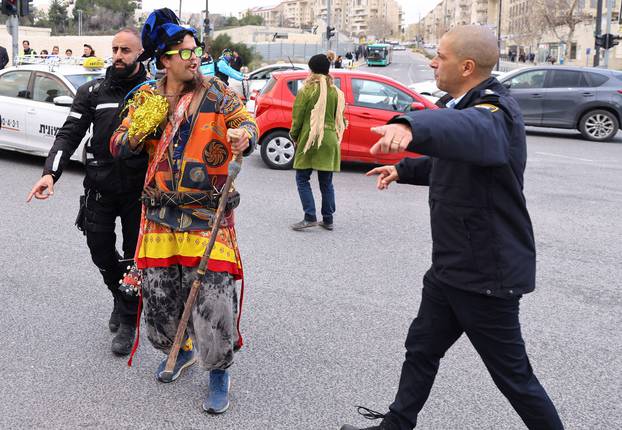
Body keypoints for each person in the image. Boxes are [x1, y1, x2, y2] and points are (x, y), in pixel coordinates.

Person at [340, 25, 564, 430]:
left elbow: (472, 132)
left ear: (466, 66)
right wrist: (403, 167)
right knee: (421, 348)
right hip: (450, 269)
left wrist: (409, 127)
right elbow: (451, 160)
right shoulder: (464, 104)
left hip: (485, 277)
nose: (432, 61)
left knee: (514, 379)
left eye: (440, 56)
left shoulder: (496, 113)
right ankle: (396, 425)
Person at [109, 8, 258, 414]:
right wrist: (140, 128)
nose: (194, 58)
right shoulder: (145, 97)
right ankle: (181, 348)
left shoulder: (219, 94)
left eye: (196, 51)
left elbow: (247, 122)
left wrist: (243, 134)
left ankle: (218, 372)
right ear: (164, 59)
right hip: (158, 219)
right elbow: (118, 145)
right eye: (185, 52)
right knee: (161, 299)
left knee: (214, 300)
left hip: (208, 218)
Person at [27, 28, 149, 357]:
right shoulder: (92, 91)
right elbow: (69, 134)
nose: (119, 55)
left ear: (139, 53)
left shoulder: (154, 93)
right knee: (100, 252)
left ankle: (128, 317)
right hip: (99, 186)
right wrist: (50, 173)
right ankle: (119, 293)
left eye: (126, 49)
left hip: (139, 192)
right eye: (115, 49)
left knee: (133, 257)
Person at [289, 54, 346, 231]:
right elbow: (341, 120)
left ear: (311, 70)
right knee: (326, 182)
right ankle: (328, 219)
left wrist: (294, 136)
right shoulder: (336, 92)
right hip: (330, 140)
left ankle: (310, 216)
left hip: (311, 138)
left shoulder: (306, 90)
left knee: (302, 178)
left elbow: (297, 118)